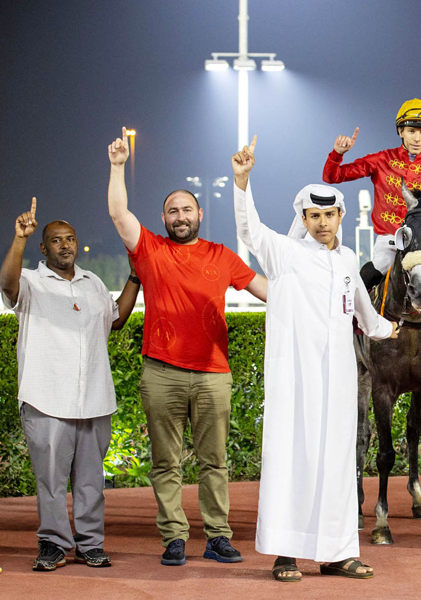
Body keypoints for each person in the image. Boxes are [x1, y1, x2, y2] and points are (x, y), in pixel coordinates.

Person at [231, 137, 397, 581]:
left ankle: (337, 553)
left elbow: (366, 314)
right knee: (293, 460)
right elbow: (249, 230)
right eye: (314, 216)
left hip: (340, 383)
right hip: (295, 382)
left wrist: (392, 328)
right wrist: (242, 181)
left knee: (338, 464)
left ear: (341, 216)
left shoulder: (346, 259)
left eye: (330, 215)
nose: (323, 223)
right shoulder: (284, 254)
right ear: (302, 218)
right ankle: (287, 553)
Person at [106, 128, 268, 566]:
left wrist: (326, 293)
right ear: (163, 220)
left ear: (200, 214)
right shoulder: (150, 251)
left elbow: (271, 292)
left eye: (186, 209)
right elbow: (119, 213)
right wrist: (118, 166)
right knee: (166, 462)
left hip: (214, 373)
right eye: (172, 211)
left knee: (215, 462)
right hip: (161, 372)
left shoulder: (222, 256)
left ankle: (218, 536)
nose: (179, 216)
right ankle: (174, 537)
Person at [0, 198, 140, 571]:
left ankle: (90, 544)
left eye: (70, 239)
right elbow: (7, 286)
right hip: (45, 398)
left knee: (91, 482)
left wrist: (136, 277)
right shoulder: (30, 280)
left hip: (94, 399)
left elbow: (116, 320)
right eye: (56, 240)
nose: (65, 245)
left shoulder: (92, 282)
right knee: (50, 481)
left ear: (77, 244)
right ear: (44, 248)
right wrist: (19, 240)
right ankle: (53, 544)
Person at [322, 98, 421, 288]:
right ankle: (353, 317)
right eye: (411, 131)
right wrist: (337, 154)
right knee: (366, 278)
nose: (417, 138)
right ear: (400, 131)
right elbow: (333, 177)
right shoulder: (381, 160)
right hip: (389, 243)